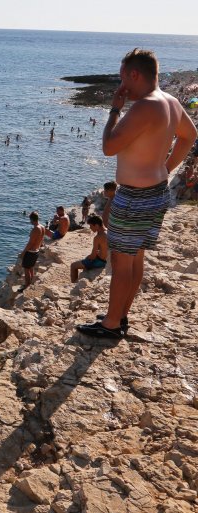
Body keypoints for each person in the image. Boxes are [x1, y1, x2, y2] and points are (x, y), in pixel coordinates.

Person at [78, 48, 197, 338]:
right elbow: (190, 135)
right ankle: (120, 315)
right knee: (135, 257)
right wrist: (165, 168)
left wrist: (115, 110)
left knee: (121, 262)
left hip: (134, 197)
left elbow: (109, 147)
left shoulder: (144, 106)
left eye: (122, 78)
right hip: (156, 191)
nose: (120, 86)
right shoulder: (169, 101)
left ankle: (111, 324)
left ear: (134, 74)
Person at [70, 216, 108, 283]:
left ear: (96, 225)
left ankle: (73, 284)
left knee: (73, 266)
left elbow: (93, 256)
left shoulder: (98, 237)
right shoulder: (108, 232)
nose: (90, 228)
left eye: (90, 226)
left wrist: (87, 258)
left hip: (100, 262)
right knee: (85, 261)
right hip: (107, 260)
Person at [19, 211, 45, 289]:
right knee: (31, 268)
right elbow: (41, 240)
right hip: (36, 251)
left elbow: (30, 243)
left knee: (26, 269)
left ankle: (26, 286)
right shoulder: (42, 227)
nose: (30, 221)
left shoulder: (35, 229)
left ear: (32, 219)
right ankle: (30, 283)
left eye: (30, 220)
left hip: (30, 252)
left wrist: (23, 253)